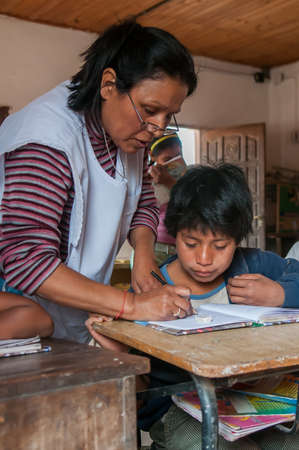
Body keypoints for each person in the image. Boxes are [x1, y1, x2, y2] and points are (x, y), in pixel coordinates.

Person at [0, 19, 197, 343]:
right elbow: (27, 261)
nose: (158, 128)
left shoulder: (126, 133)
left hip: (72, 315)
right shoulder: (46, 140)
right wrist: (131, 304)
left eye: (168, 115)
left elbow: (143, 201)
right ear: (109, 85)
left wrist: (143, 257)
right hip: (19, 321)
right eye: (150, 109)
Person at [148, 163, 299, 450]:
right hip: (183, 408)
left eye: (220, 246)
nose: (204, 258)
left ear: (237, 239)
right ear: (173, 234)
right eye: (191, 243)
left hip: (259, 401)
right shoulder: (153, 290)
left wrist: (281, 293)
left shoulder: (254, 266)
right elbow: (143, 384)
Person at [148, 133, 187, 265]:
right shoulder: (146, 180)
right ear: (153, 157)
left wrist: (170, 182)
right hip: (156, 247)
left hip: (181, 247)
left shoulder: (188, 179)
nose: (174, 163)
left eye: (178, 156)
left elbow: (193, 207)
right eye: (167, 159)